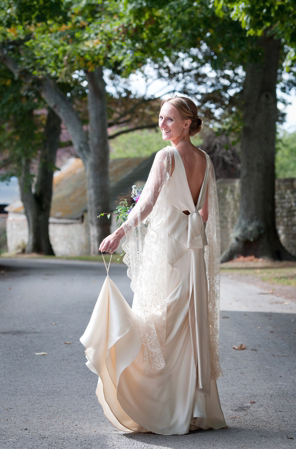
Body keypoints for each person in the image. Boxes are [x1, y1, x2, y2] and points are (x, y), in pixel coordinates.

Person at [81, 96, 227, 435]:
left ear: (187, 123)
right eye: (161, 118)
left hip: (169, 250)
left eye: (170, 120)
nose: (162, 125)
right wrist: (193, 234)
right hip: (193, 250)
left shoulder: (167, 156)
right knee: (187, 323)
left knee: (161, 323)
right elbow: (204, 213)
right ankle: (192, 408)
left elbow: (146, 203)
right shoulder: (205, 159)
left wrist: (120, 232)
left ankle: (160, 408)